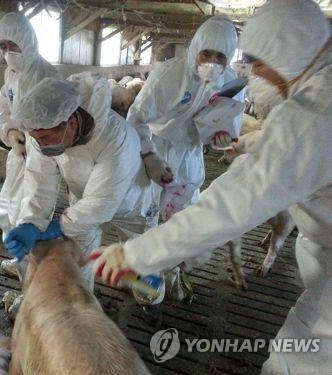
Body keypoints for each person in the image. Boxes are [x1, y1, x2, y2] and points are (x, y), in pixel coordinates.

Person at [92, 0, 331, 373]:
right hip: (158, 150)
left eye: (255, 61)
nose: (250, 73)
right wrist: (151, 155)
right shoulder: (316, 96)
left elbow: (234, 202)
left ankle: (162, 274)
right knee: (150, 212)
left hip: (189, 158)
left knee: (296, 362)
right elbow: (283, 155)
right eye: (245, 62)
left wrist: (134, 255)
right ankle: (160, 277)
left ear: (287, 52)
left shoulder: (313, 112)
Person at [4, 72, 160, 296]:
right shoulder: (42, 130)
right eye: (36, 139)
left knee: (140, 261)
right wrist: (31, 221)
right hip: (82, 198)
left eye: (46, 138)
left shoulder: (116, 138)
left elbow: (101, 202)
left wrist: (58, 226)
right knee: (79, 255)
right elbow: (39, 179)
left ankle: (148, 299)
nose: (40, 144)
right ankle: (82, 299)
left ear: (71, 122)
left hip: (132, 204)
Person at [127, 16, 244, 220]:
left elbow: (226, 125)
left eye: (220, 56)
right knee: (146, 213)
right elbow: (136, 117)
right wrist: (147, 154)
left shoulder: (231, 83)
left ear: (230, 56)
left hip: (190, 155)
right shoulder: (169, 75)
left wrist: (219, 139)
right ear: (196, 48)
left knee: (185, 219)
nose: (212, 62)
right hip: (157, 149)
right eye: (206, 53)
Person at [0, 12, 59, 278]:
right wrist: (9, 132)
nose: (8, 51)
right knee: (9, 211)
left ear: (28, 41)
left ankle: (33, 280)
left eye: (13, 44)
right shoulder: (11, 74)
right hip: (19, 153)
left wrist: (31, 141)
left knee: (32, 217)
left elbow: (56, 123)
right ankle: (21, 265)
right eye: (3, 46)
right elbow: (1, 108)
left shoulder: (45, 74)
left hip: (43, 156)